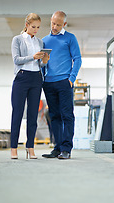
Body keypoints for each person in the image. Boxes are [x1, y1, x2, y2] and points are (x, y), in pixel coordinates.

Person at [42, 11, 82, 159]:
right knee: (54, 116)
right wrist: (42, 77)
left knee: (67, 115)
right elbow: (42, 63)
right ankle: (57, 148)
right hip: (48, 83)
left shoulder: (70, 38)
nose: (55, 26)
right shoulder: (44, 40)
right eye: (53, 23)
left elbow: (77, 59)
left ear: (64, 24)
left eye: (58, 24)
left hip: (65, 82)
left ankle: (66, 149)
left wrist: (71, 78)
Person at [11, 13, 49, 159]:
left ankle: (30, 148)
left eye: (38, 27)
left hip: (36, 78)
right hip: (21, 77)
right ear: (26, 25)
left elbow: (40, 64)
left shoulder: (40, 42)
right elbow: (16, 60)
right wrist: (32, 57)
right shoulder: (18, 40)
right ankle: (14, 148)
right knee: (18, 114)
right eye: (33, 27)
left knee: (33, 115)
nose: (36, 30)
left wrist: (44, 60)